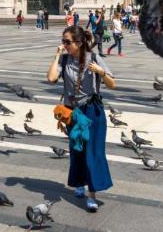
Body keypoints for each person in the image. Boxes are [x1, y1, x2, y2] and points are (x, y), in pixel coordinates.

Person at [47, 25, 116, 212]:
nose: (64, 45)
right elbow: (51, 78)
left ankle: (92, 194)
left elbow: (113, 84)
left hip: (92, 112)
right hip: (72, 113)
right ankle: (79, 183)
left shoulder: (94, 58)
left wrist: (100, 72)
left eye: (67, 42)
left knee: (92, 153)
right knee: (77, 150)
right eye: (63, 41)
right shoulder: (64, 59)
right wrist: (56, 56)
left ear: (78, 42)